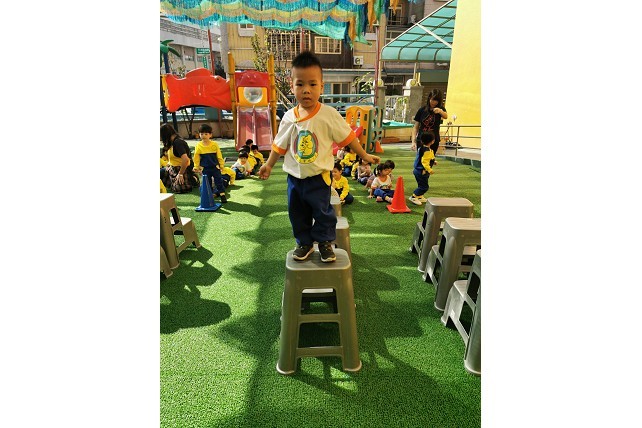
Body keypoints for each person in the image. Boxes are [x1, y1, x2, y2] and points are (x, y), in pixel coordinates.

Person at [258, 51, 380, 263]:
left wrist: (364, 155)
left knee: (323, 212)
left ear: (321, 87)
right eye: (300, 84)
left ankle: (324, 242)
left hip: (319, 178)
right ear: (292, 86)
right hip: (295, 179)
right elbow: (279, 145)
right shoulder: (289, 117)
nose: (306, 90)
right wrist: (268, 165)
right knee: (297, 214)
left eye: (312, 84)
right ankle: (304, 243)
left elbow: (349, 137)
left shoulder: (328, 114)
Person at [411, 88, 448, 166]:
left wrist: (440, 111)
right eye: (432, 99)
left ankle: (426, 173)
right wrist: (413, 141)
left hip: (433, 141)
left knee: (430, 162)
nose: (434, 102)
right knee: (420, 161)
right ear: (429, 98)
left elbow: (446, 116)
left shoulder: (440, 109)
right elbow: (416, 127)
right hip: (422, 140)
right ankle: (420, 173)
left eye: (436, 100)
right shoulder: (422, 110)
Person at [192, 124, 227, 203]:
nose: (204, 136)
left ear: (210, 135)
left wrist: (221, 165)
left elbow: (219, 156)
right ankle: (210, 196)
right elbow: (196, 157)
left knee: (219, 181)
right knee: (207, 183)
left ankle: (222, 195)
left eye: (206, 134)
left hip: (215, 167)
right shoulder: (198, 145)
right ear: (199, 134)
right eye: (201, 134)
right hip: (205, 169)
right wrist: (196, 166)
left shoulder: (214, 144)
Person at [160, 123, 199, 193]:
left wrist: (180, 174)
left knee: (179, 189)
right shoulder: (170, 143)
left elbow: (186, 160)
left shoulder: (178, 142)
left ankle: (192, 179)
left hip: (183, 168)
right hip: (172, 168)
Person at [409, 132, 436, 205]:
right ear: (432, 141)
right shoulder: (426, 151)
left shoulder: (422, 148)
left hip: (419, 170)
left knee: (421, 184)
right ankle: (414, 196)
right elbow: (424, 162)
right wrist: (430, 170)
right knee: (424, 187)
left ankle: (419, 196)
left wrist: (433, 161)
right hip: (421, 171)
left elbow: (425, 158)